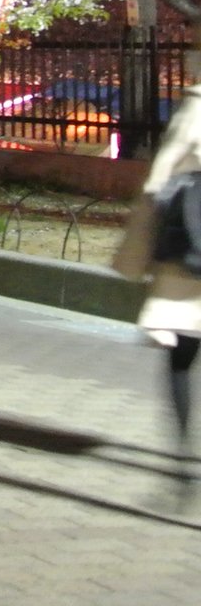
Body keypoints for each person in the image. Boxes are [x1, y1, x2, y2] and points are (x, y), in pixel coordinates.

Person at [112, 64, 201, 505]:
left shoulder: (197, 108)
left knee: (182, 361)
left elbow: (157, 183)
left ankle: (183, 470)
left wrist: (136, 255)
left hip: (191, 257)